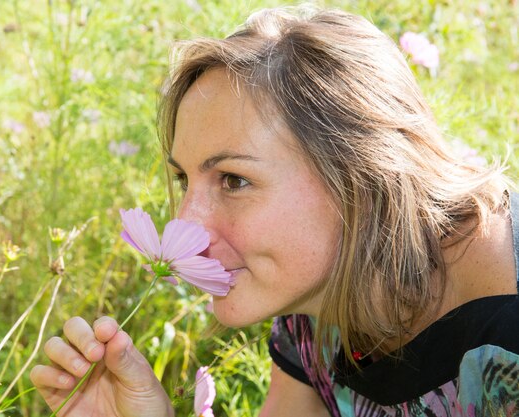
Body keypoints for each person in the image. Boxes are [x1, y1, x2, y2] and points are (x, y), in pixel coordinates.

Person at [30, 5, 519, 416]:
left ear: (362, 178)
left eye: (234, 180)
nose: (184, 226)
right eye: (184, 178)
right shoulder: (317, 299)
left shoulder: (506, 338)